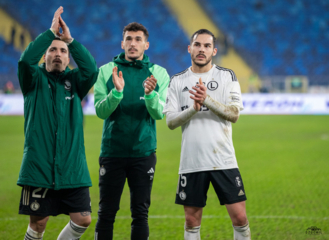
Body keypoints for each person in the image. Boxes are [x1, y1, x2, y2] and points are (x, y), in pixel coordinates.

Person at [17, 7, 98, 240]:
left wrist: (70, 40)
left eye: (63, 51)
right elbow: (25, 62)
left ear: (68, 57)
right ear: (45, 55)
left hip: (72, 168)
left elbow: (91, 69)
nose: (58, 54)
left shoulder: (75, 81)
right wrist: (49, 34)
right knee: (38, 224)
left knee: (83, 219)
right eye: (53, 50)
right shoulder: (33, 80)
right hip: (38, 168)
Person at [163, 29, 251, 240]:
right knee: (191, 221)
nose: (201, 49)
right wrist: (193, 108)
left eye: (207, 46)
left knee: (239, 218)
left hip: (224, 159)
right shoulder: (177, 80)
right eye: (197, 45)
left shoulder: (226, 75)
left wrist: (207, 100)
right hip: (192, 161)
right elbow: (170, 122)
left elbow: (234, 114)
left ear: (214, 50)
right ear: (189, 48)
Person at [93, 22, 170, 240]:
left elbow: (158, 114)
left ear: (146, 45)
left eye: (138, 40)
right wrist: (117, 93)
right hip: (112, 152)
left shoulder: (159, 73)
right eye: (129, 39)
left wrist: (150, 94)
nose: (133, 43)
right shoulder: (107, 71)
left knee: (140, 213)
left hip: (143, 153)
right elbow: (100, 111)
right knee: (106, 212)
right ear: (122, 43)